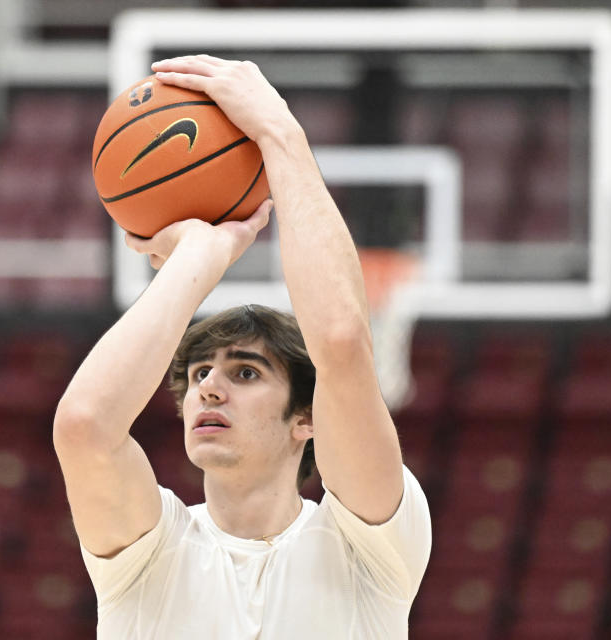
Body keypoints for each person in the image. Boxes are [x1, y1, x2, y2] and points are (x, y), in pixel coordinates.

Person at [53, 54, 432, 639]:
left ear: (306, 417)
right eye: (201, 371)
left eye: (246, 373)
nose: (208, 386)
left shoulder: (371, 548)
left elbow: (339, 341)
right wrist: (197, 260)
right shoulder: (147, 557)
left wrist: (279, 133)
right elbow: (85, 426)